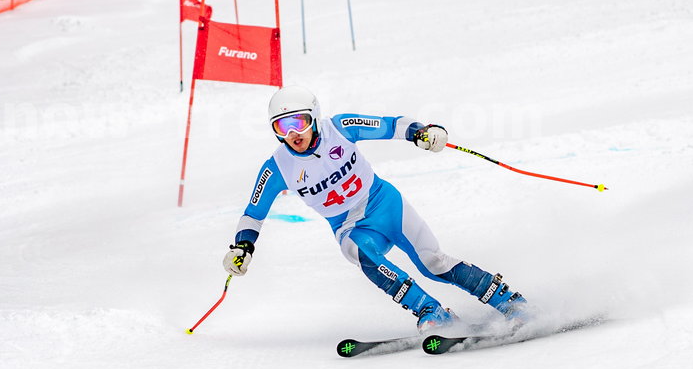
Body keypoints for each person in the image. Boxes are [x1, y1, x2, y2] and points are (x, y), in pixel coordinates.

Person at [222, 85, 528, 333]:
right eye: (282, 127)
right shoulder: (277, 167)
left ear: (314, 117)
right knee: (358, 252)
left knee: (433, 262)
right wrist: (243, 247)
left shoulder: (340, 127)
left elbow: (392, 125)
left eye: (298, 123)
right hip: (351, 228)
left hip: (385, 204)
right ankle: (431, 312)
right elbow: (253, 213)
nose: (293, 135)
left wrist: (422, 132)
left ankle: (511, 303)